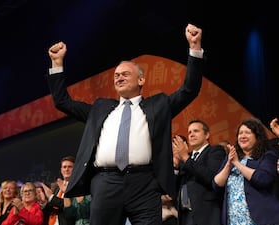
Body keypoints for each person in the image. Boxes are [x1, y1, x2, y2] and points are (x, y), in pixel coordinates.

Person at [46, 23, 204, 225]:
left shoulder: (158, 105)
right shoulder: (100, 108)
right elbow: (62, 102)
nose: (119, 77)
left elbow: (189, 89)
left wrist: (195, 47)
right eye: (116, 75)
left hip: (145, 183)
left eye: (125, 74)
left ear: (141, 80)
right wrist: (57, 63)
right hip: (105, 183)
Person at [213, 118, 279, 225]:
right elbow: (216, 185)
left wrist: (237, 164)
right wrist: (229, 164)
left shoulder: (267, 156)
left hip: (260, 219)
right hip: (233, 220)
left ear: (257, 136)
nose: (242, 136)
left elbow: (263, 179)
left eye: (247, 132)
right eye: (240, 133)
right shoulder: (231, 157)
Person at [173, 119, 226, 225]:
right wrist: (176, 167)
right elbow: (174, 188)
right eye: (189, 132)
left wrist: (185, 158)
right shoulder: (186, 157)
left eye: (196, 131)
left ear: (207, 135)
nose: (192, 135)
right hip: (185, 215)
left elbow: (211, 178)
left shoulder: (215, 151)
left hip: (206, 214)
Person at [41, 156, 76, 225]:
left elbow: (69, 206)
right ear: (61, 170)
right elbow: (52, 208)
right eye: (64, 167)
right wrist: (44, 202)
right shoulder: (58, 188)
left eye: (70, 167)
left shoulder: (76, 187)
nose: (66, 169)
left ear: (75, 169)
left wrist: (51, 197)